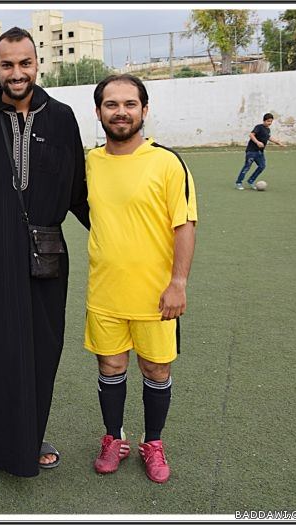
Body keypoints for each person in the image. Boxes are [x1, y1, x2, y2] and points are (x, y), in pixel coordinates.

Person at [0, 27, 90, 477]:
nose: (17, 73)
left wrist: (129, 239)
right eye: (8, 64)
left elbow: (79, 194)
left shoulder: (62, 117)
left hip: (46, 252)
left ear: (37, 63)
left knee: (41, 348)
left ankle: (28, 437)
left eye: (24, 63)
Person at [85, 74, 197, 484]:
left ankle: (154, 443)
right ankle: (113, 438)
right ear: (98, 112)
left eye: (130, 104)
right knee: (111, 364)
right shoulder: (91, 162)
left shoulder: (167, 162)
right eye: (111, 104)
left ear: (144, 110)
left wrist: (178, 283)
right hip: (105, 291)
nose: (121, 112)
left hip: (156, 295)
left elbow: (184, 225)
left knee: (156, 370)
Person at [235, 112, 286, 190]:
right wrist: (257, 142)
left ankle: (251, 180)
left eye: (271, 121)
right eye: (268, 121)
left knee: (262, 166)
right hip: (251, 151)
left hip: (260, 153)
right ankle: (239, 182)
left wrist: (278, 143)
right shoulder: (259, 127)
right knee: (247, 167)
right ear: (264, 121)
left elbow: (269, 137)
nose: (270, 123)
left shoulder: (268, 130)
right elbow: (251, 135)